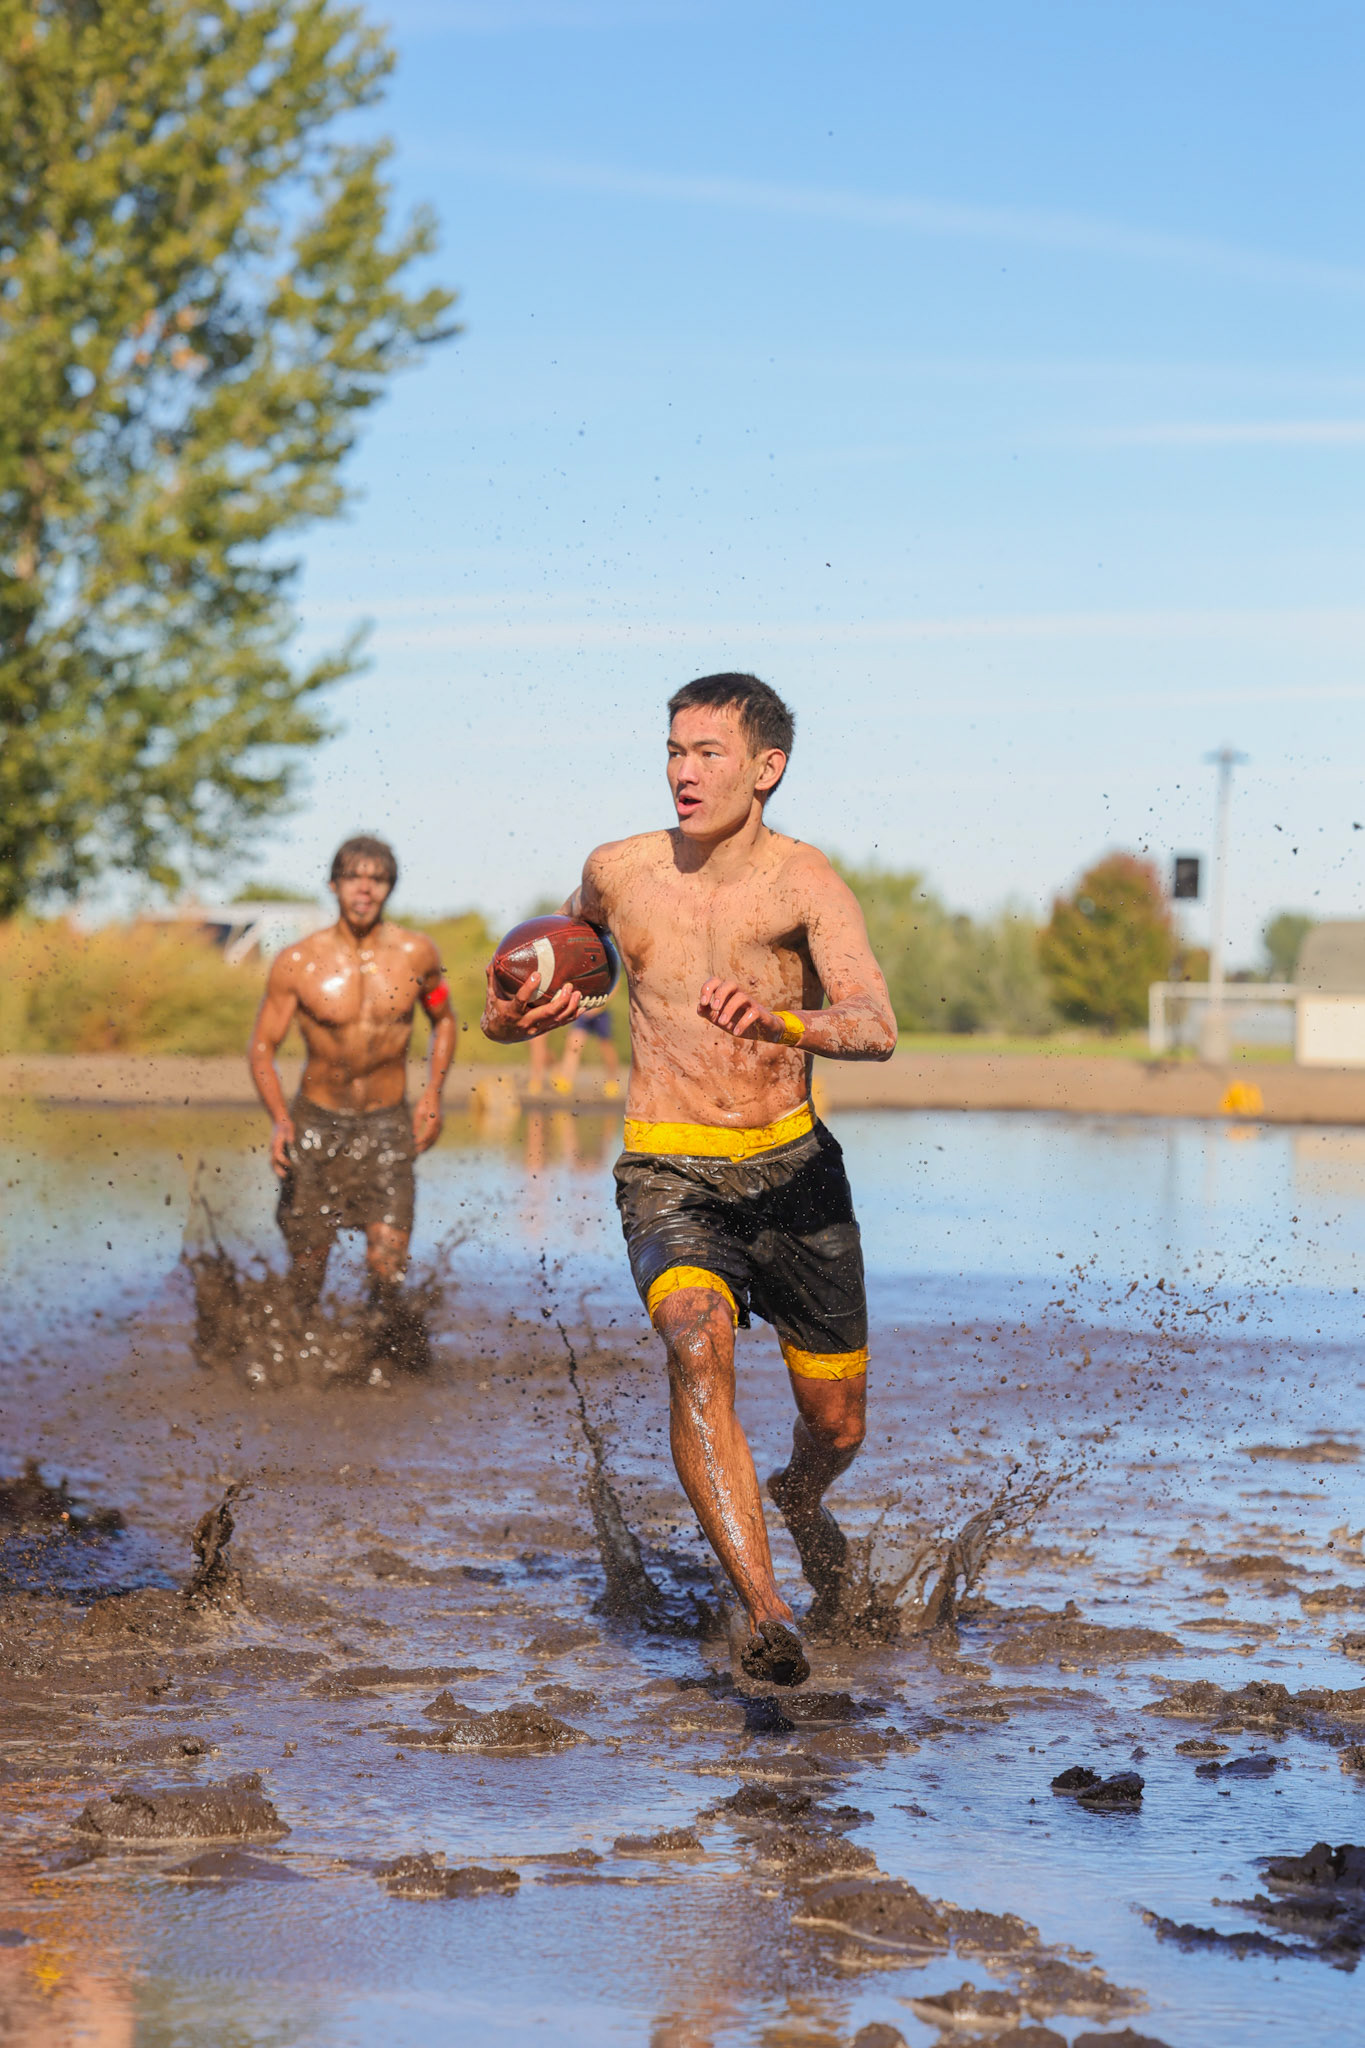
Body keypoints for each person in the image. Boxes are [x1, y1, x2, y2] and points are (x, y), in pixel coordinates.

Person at [482, 675, 896, 1686]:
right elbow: (550, 967)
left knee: (837, 1424)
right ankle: (767, 1610)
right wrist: (511, 1016)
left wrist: (781, 1021)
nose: (684, 770)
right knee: (696, 1342)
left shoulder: (805, 882)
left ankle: (799, 1495)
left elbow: (874, 1024)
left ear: (767, 768)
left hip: (794, 1172)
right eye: (674, 750)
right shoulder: (617, 869)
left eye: (709, 752)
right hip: (667, 1167)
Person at [249, 836, 456, 1354]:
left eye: (377, 879)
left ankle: (380, 1362)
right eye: (354, 878)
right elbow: (262, 1048)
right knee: (308, 1266)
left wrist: (432, 1093)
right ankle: (295, 1357)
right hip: (316, 1126)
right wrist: (280, 1120)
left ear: (390, 888)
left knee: (389, 1263)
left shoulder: (417, 954)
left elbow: (444, 1020)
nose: (365, 889)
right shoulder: (297, 962)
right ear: (334, 885)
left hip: (387, 1125)